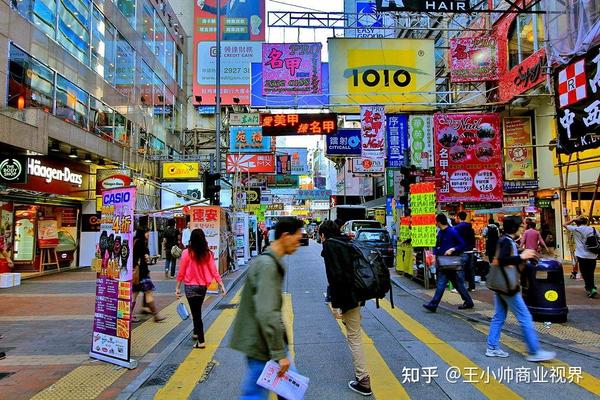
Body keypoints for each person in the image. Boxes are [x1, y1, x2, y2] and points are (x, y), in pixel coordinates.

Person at [230, 217, 304, 399]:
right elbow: (267, 312)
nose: (299, 244)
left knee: (290, 391)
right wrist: (279, 354)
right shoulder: (268, 265)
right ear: (285, 236)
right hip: (262, 344)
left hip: (267, 341)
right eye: (298, 238)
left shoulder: (270, 261)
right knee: (256, 395)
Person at [486, 216, 556, 362]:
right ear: (515, 228)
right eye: (521, 226)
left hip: (500, 285)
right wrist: (522, 256)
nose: (523, 229)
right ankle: (534, 351)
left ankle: (491, 347)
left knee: (499, 316)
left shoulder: (505, 240)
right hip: (508, 286)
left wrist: (523, 255)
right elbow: (503, 260)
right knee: (525, 317)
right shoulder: (506, 241)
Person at [320, 220, 372, 396]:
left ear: (322, 235)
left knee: (354, 337)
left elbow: (335, 278)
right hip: (358, 294)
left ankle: (363, 380)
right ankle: (362, 377)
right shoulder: (346, 242)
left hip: (348, 297)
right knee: (355, 333)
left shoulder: (330, 246)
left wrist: (337, 305)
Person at [176, 229, 226, 348]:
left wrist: (177, 287)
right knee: (196, 310)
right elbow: (213, 270)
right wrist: (221, 284)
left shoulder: (186, 253)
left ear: (191, 239)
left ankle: (201, 340)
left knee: (196, 313)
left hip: (190, 287)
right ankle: (195, 332)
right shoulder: (207, 253)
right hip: (202, 287)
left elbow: (181, 272)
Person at [423, 214, 474, 313]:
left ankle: (433, 304)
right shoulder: (441, 233)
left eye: (436, 221)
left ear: (438, 222)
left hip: (449, 262)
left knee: (441, 283)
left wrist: (452, 249)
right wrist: (434, 256)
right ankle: (468, 302)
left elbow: (462, 244)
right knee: (458, 284)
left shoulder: (452, 231)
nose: (435, 223)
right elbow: (437, 245)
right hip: (444, 262)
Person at [132, 228, 165, 322]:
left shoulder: (134, 241)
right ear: (142, 233)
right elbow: (142, 257)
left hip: (136, 273)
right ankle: (156, 315)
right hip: (141, 272)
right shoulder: (140, 243)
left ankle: (128, 315)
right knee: (148, 293)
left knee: (134, 294)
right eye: (147, 232)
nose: (148, 234)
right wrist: (146, 256)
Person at [564, 217, 599, 298]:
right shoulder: (593, 229)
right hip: (592, 255)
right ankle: (592, 288)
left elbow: (564, 224)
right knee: (591, 273)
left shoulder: (576, 229)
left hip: (582, 255)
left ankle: (590, 289)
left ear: (577, 223)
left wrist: (573, 220)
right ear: (586, 222)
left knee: (585, 273)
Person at [196, 0, 262, 40]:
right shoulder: (229, 2)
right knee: (226, 61)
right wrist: (204, 6)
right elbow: (220, 11)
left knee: (240, 62)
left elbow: (254, 12)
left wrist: (256, 27)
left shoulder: (247, 1)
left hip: (240, 37)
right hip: (227, 36)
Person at [455, 211, 476, 291]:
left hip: (462, 251)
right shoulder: (470, 227)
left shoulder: (457, 228)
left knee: (461, 269)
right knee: (471, 269)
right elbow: (473, 239)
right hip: (470, 250)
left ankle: (461, 287)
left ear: (458, 217)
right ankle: (472, 287)